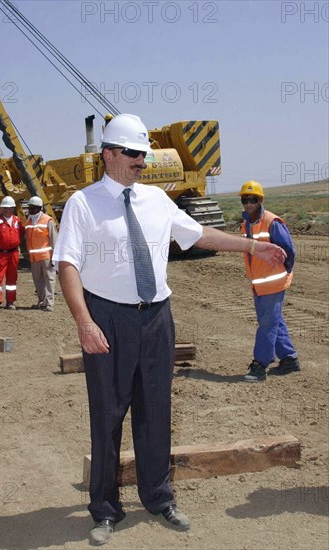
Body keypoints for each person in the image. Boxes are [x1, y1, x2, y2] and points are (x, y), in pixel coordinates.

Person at [52, 113, 287, 546]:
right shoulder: (83, 204)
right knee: (108, 416)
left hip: (157, 317)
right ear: (108, 154)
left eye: (142, 153)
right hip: (108, 318)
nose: (140, 160)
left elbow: (201, 236)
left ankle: (159, 498)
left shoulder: (157, 201)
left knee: (155, 410)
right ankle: (105, 509)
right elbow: (66, 264)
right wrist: (84, 323)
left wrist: (255, 245)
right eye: (132, 153)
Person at [239, 180, 300, 382]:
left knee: (266, 323)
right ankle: (289, 358)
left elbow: (289, 251)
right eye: (245, 199)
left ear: (261, 200)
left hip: (273, 282)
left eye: (252, 199)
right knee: (273, 321)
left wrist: (284, 272)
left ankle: (260, 365)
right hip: (259, 283)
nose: (248, 203)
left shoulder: (272, 222)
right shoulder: (245, 224)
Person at [25, 196, 57, 312]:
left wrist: (55, 257)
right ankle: (41, 301)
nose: (31, 210)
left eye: (33, 208)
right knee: (38, 280)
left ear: (39, 208)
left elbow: (54, 239)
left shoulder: (47, 220)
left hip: (46, 256)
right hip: (34, 257)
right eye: (30, 208)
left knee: (49, 279)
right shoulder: (28, 221)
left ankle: (49, 303)